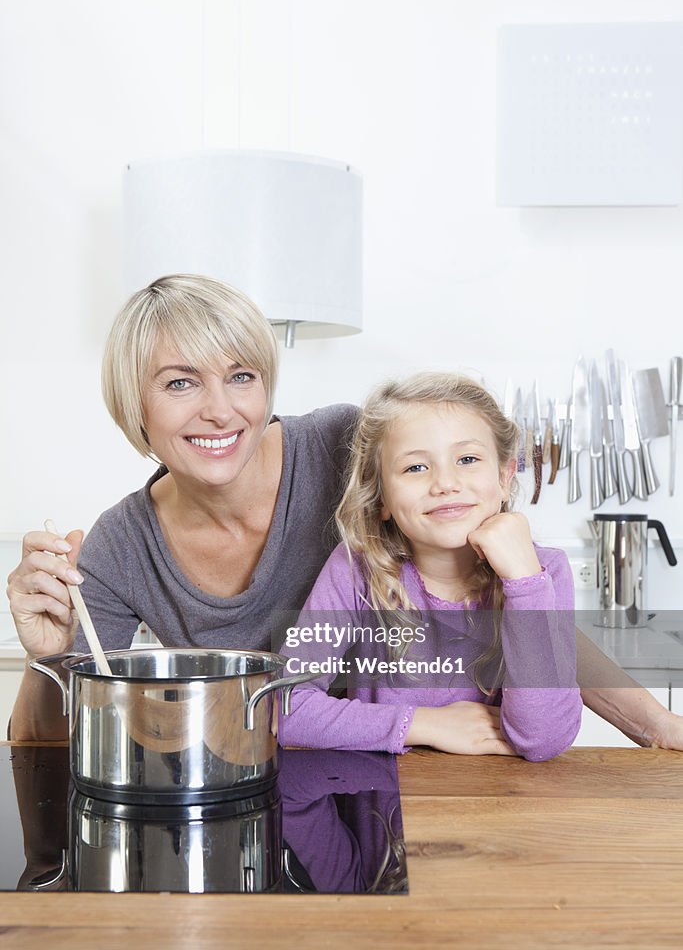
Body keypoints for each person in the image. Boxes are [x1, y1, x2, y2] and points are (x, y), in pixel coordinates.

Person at [6, 274, 683, 752]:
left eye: (241, 375)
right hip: (265, 790)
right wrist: (48, 657)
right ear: (135, 405)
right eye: (181, 382)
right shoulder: (120, 548)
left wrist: (657, 725)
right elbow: (39, 747)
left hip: (422, 787)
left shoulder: (351, 451)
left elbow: (514, 604)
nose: (219, 409)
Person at [278, 372, 582, 761]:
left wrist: (524, 582)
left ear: (505, 478)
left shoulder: (543, 573)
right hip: (384, 803)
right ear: (381, 497)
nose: (445, 484)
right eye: (415, 468)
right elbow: (283, 707)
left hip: (504, 806)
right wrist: (425, 724)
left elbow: (543, 739)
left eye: (468, 459)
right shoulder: (356, 570)